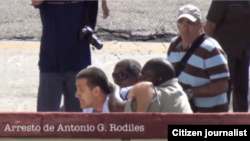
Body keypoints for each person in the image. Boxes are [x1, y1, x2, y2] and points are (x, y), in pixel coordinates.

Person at [31, 0, 99, 112]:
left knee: (76, 118)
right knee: (47, 117)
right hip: (51, 62)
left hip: (78, 61)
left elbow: (92, 14)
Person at [167, 4, 230, 113]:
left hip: (210, 117)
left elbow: (222, 86)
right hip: (183, 112)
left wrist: (191, 93)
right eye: (181, 22)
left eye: (190, 22)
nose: (185, 26)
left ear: (200, 25)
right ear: (177, 25)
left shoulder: (211, 49)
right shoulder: (174, 44)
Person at [204, 0, 250, 112]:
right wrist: (197, 45)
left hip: (244, 51)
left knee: (242, 91)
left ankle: (241, 123)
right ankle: (222, 123)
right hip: (223, 53)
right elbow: (210, 24)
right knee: (224, 90)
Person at [108, 58, 193, 113]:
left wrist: (115, 88)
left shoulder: (154, 96)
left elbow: (115, 108)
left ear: (157, 80)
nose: (140, 80)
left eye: (144, 77)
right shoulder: (178, 90)